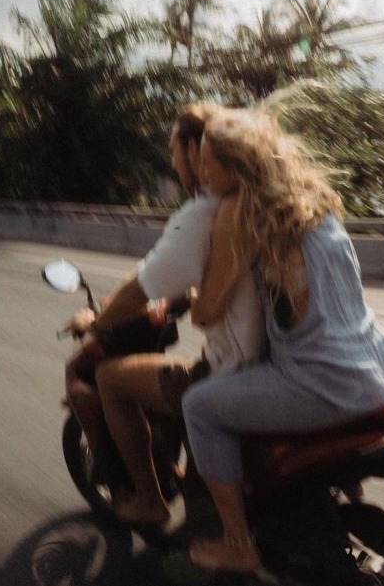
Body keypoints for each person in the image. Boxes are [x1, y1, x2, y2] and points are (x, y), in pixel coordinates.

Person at [181, 108, 384, 573]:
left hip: (330, 380)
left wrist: (191, 296)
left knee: (198, 407)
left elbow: (207, 310)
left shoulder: (245, 215)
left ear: (236, 170)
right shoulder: (314, 202)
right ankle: (339, 492)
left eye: (208, 163)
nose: (202, 173)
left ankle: (238, 543)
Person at [65, 102, 266, 527]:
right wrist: (185, 298)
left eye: (174, 151)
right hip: (269, 360)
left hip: (231, 369)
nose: (173, 163)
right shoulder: (252, 201)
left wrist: (96, 321)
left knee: (109, 378)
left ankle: (150, 501)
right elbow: (207, 281)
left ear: (196, 151)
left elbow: (141, 285)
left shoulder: (202, 213)